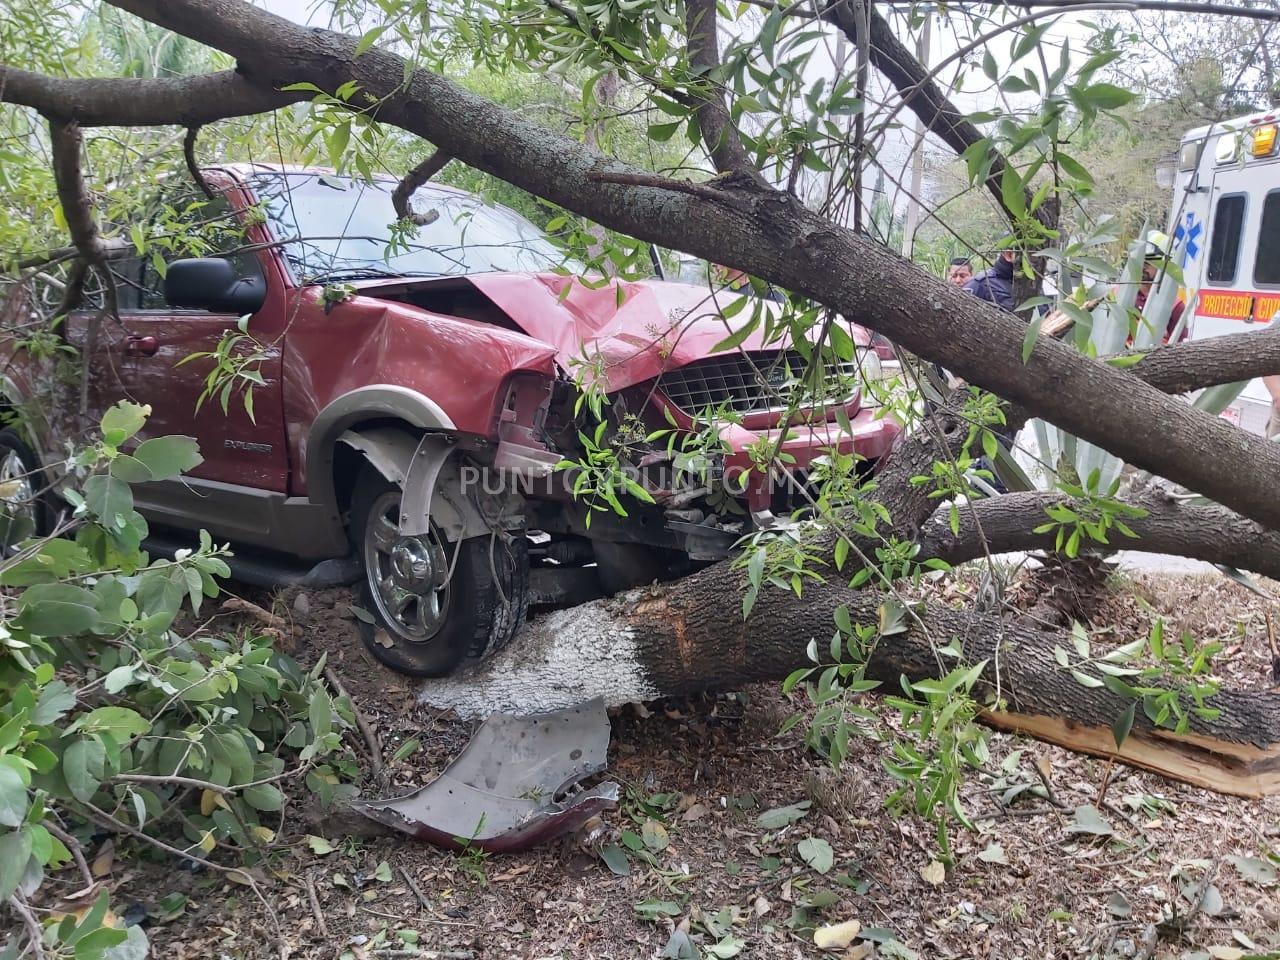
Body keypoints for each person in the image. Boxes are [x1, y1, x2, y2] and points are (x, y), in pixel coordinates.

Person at [1134, 230, 1187, 344]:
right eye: (1140, 259)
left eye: (1149, 261)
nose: (1143, 266)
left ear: (1164, 266)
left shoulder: (1175, 307)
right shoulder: (1117, 295)